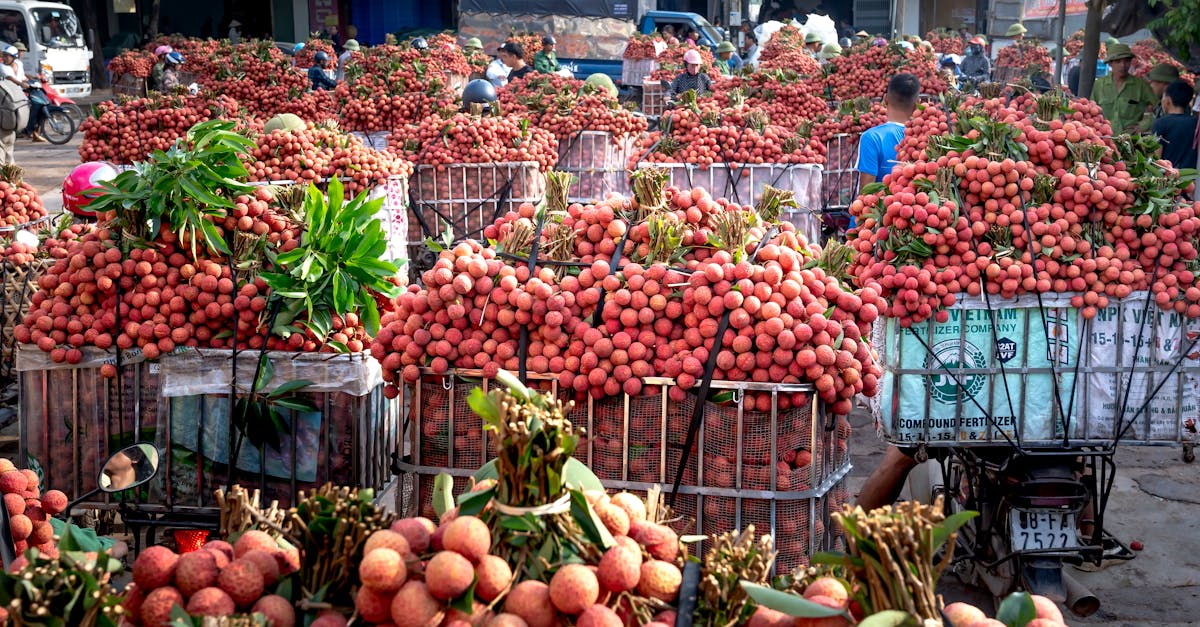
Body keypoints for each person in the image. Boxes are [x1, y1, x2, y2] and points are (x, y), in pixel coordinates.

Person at [856, 73, 919, 192]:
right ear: (917, 105)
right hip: (917, 208)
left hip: (884, 209)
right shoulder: (922, 138)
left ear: (885, 99)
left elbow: (866, 191)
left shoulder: (872, 138)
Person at [1093, 43, 1156, 133]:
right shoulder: (1099, 85)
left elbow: (1158, 110)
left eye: (1126, 61)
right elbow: (1092, 111)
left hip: (1131, 140)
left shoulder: (1141, 85)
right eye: (1118, 62)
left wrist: (1143, 125)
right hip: (1105, 139)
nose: (1123, 65)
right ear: (1110, 63)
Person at [1153, 81, 1198, 171]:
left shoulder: (1161, 123)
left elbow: (1157, 159)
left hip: (1169, 177)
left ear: (1168, 100)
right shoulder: (1195, 122)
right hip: (1190, 177)